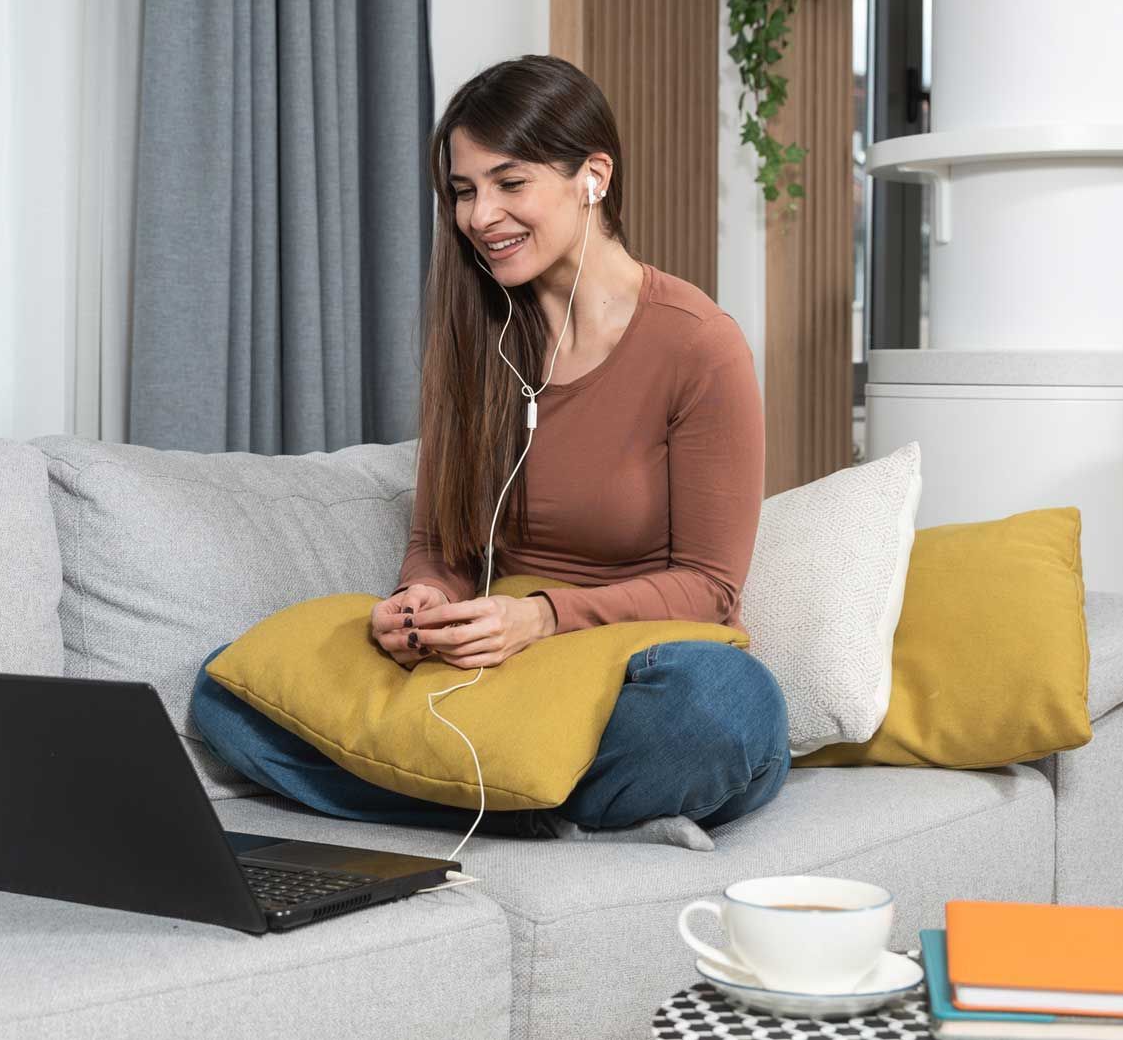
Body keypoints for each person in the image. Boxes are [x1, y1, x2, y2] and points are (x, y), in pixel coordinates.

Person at [191, 54, 788, 841]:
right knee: (226, 691)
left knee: (724, 711)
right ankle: (536, 809)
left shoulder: (699, 346)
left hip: (630, 667)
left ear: (593, 177)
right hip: (500, 675)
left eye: (510, 184)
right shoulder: (474, 334)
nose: (480, 216)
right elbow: (440, 541)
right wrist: (424, 601)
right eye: (464, 192)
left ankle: (475, 797)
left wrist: (540, 617)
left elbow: (711, 589)